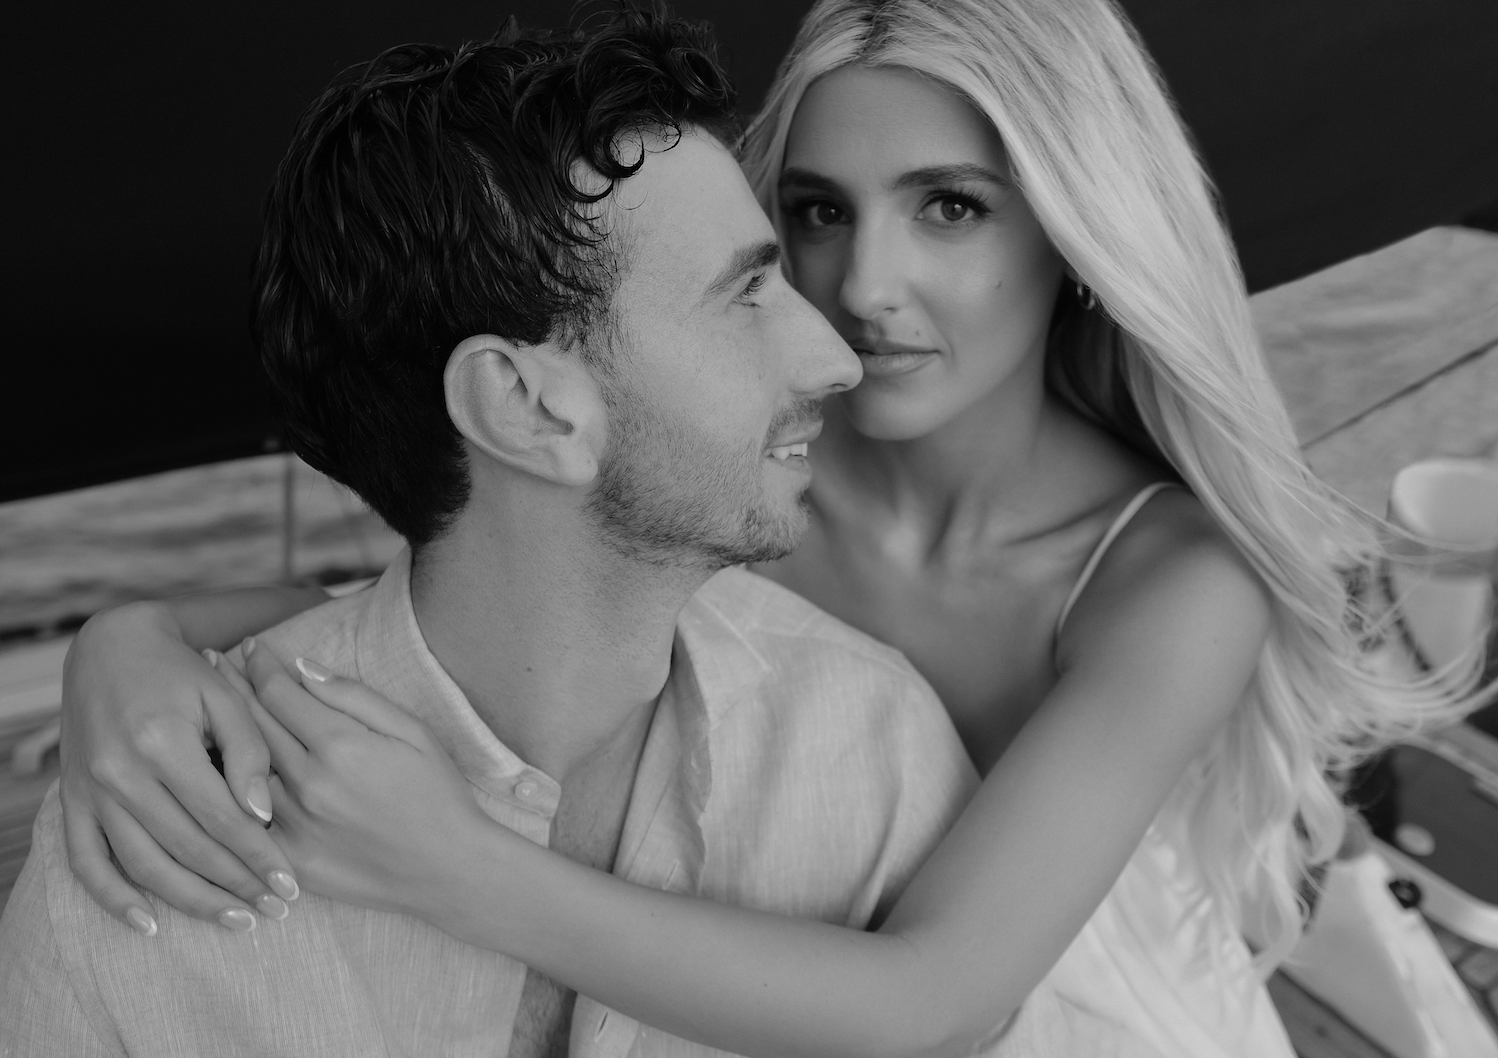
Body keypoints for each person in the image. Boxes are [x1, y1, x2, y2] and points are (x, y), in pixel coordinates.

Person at [41, 0, 1491, 1056]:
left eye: (948, 208)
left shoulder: (1167, 576)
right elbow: (448, 571)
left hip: (1043, 996)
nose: (862, 290)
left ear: (1073, 227)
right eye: (811, 212)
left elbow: (935, 999)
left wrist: (455, 865)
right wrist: (127, 644)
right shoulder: (748, 463)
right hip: (734, 953)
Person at [0, 12, 989, 1057]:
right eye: (744, 294)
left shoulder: (872, 747)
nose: (834, 356)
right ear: (526, 407)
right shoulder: (145, 844)